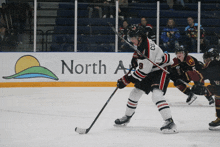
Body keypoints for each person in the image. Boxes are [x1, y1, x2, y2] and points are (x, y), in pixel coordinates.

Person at [115, 27, 178, 134]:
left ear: (139, 37)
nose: (131, 40)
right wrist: (135, 60)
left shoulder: (148, 49)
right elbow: (140, 58)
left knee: (157, 95)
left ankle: (170, 122)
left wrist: (126, 79)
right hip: (151, 69)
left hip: (160, 70)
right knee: (134, 93)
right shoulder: (141, 43)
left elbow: (143, 72)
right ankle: (127, 116)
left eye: (133, 38)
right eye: (130, 38)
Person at [191, 48, 220, 130]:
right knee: (214, 91)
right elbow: (201, 76)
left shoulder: (214, 66)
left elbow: (200, 75)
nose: (206, 61)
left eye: (208, 59)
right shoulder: (211, 67)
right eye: (206, 59)